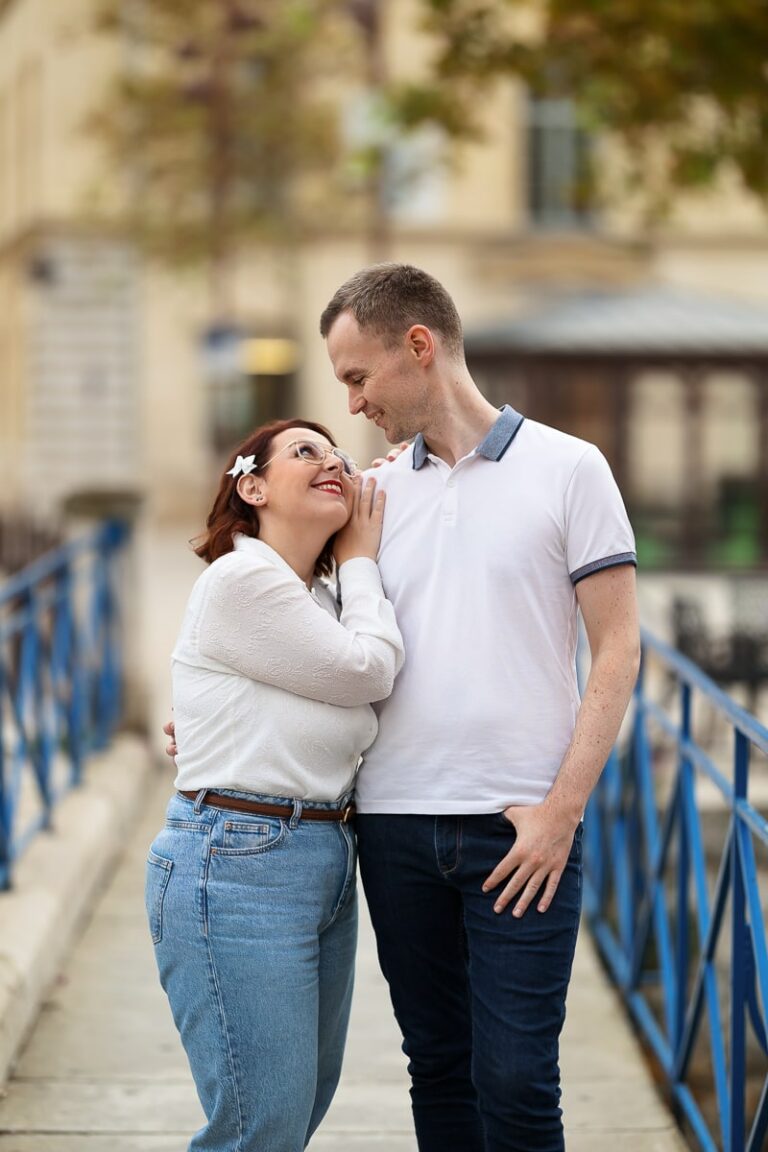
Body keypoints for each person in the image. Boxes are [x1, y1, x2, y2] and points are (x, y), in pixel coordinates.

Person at [317, 263, 641, 1152]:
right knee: (440, 1070)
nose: (352, 403)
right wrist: (216, 708)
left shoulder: (571, 469)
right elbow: (319, 639)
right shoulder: (371, 495)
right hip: (393, 827)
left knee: (518, 1081)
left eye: (358, 376)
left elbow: (618, 647)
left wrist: (562, 812)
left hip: (523, 830)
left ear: (419, 346)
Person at [147, 417, 404, 1152]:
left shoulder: (315, 598)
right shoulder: (242, 578)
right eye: (304, 451)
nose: (331, 462)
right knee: (259, 1128)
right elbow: (367, 671)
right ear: (253, 488)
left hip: (319, 854)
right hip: (237, 862)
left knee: (293, 1114)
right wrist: (361, 560)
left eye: (338, 455)